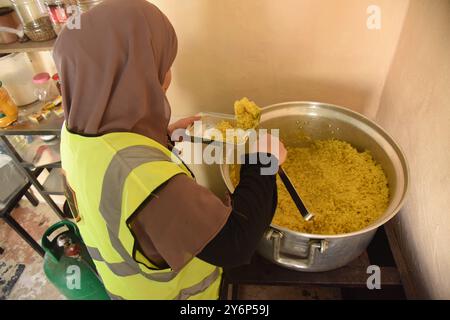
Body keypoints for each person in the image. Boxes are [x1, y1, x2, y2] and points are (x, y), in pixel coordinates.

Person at [55, 0, 286, 300]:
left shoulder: (73, 132)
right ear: (136, 74)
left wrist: (160, 138)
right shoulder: (144, 182)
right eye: (162, 61)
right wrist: (262, 162)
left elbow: (110, 167)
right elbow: (235, 242)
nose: (167, 73)